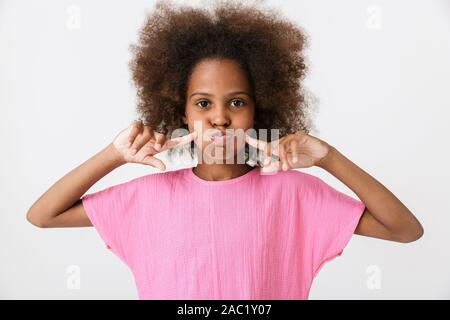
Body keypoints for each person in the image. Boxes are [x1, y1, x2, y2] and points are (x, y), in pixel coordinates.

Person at [26, 0, 423, 299]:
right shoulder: (148, 196)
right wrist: (114, 154)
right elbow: (43, 215)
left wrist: (328, 158)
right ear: (178, 110)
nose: (219, 118)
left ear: (259, 108)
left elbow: (405, 230)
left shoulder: (294, 193)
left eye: (236, 102)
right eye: (203, 103)